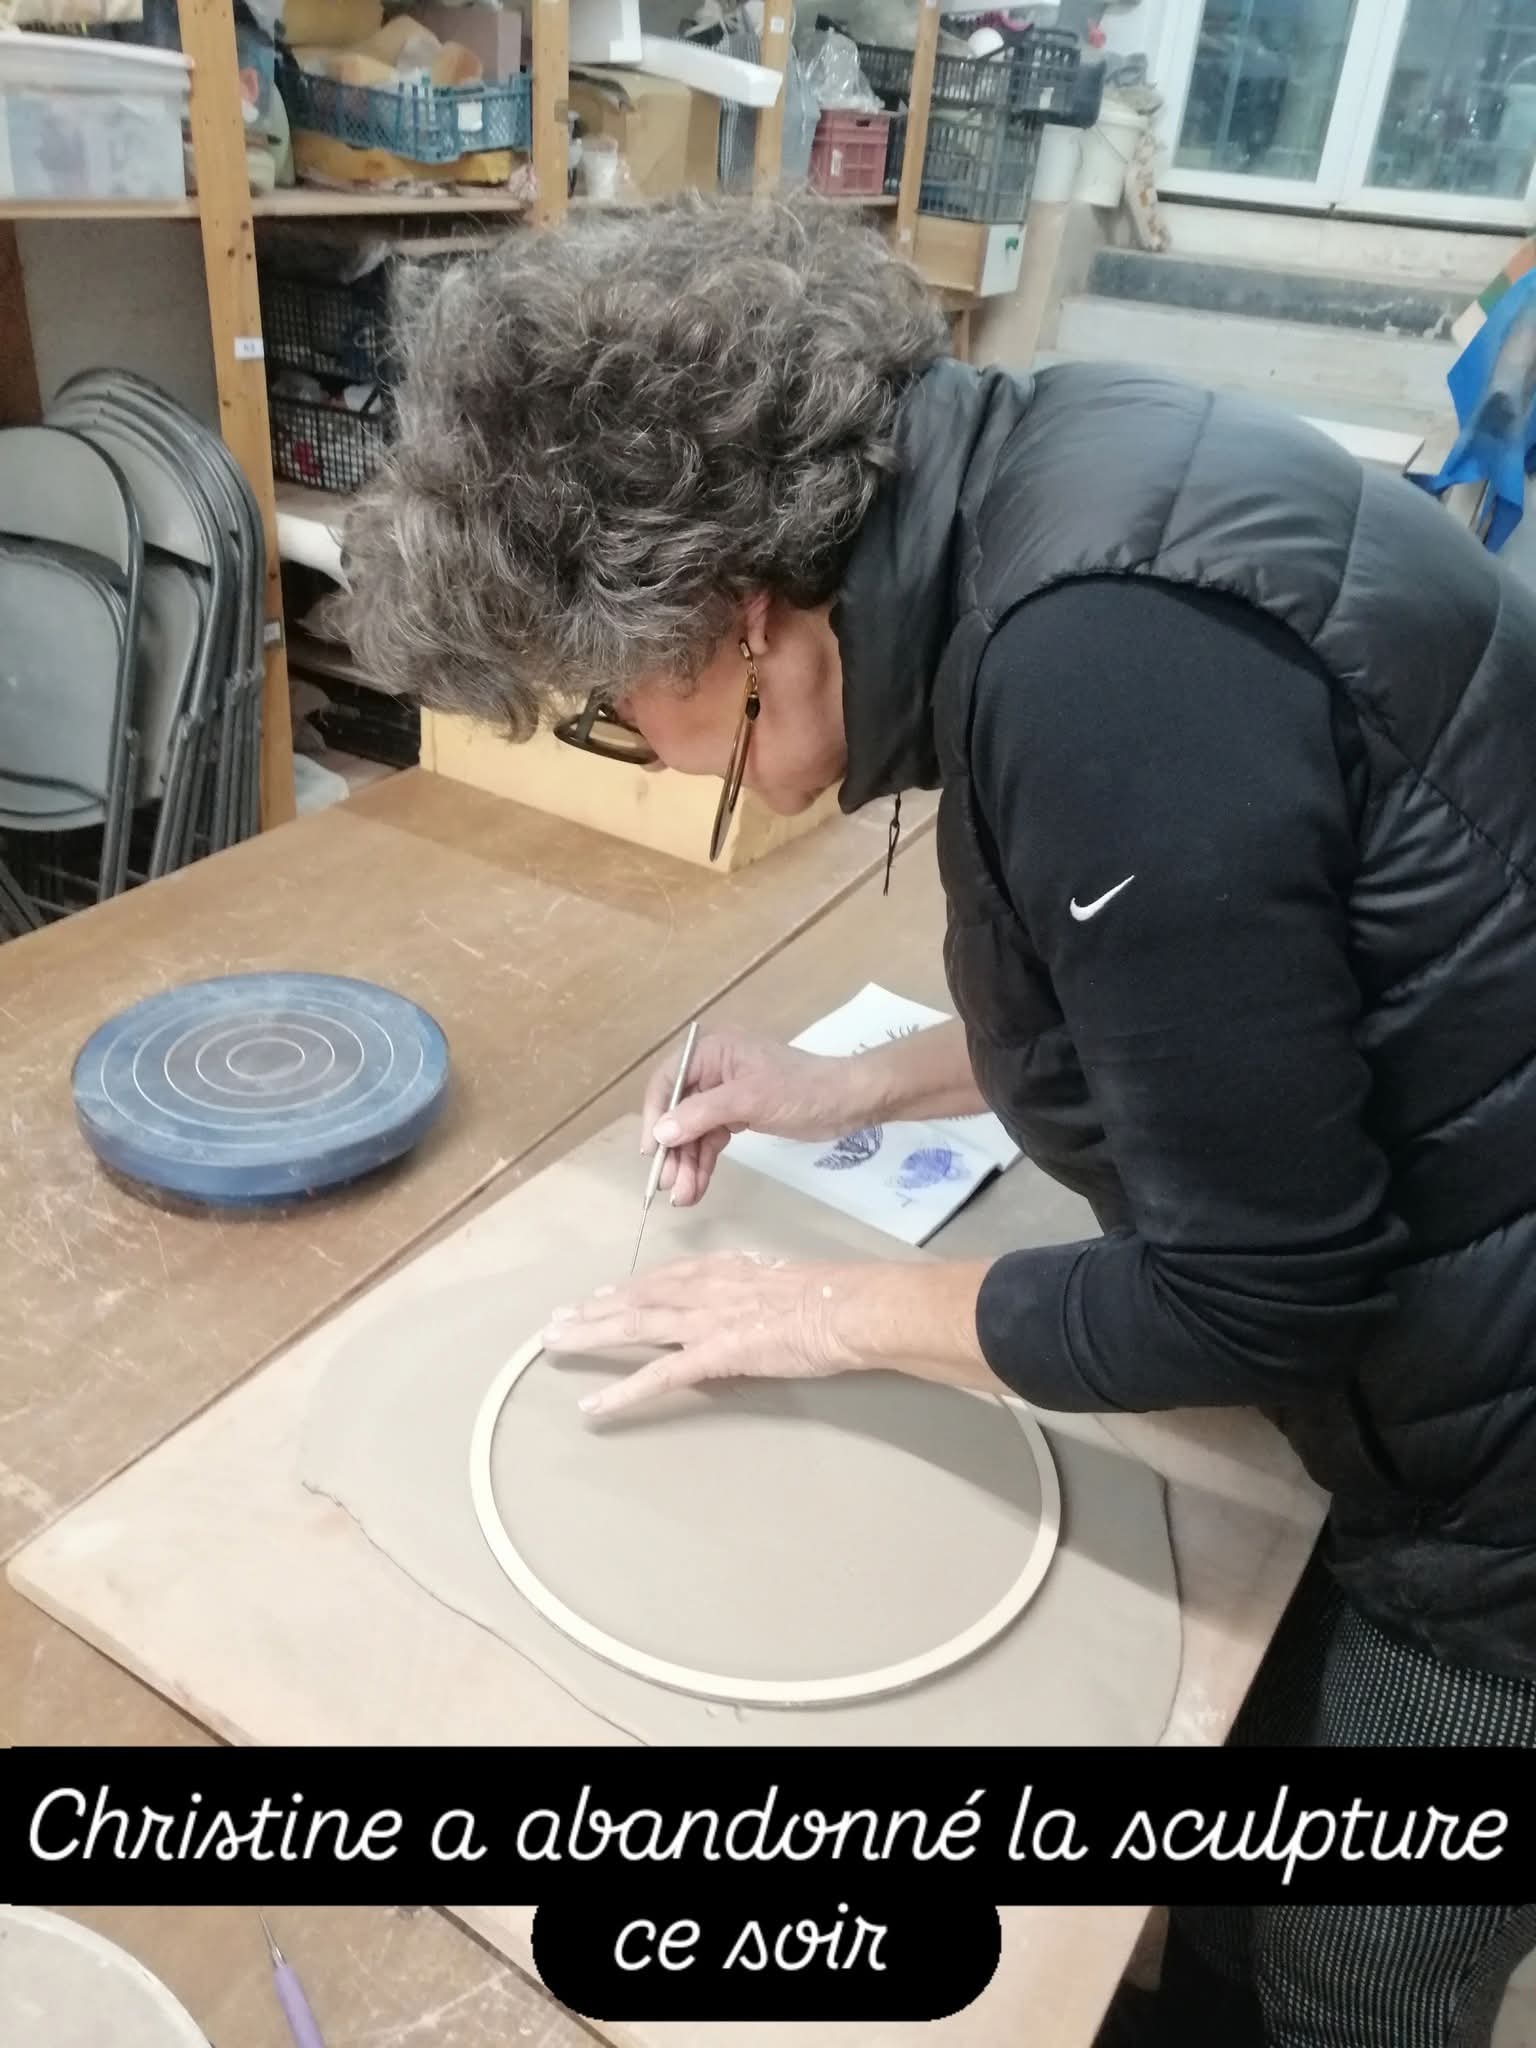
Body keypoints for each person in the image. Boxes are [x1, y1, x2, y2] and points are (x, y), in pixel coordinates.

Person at [344, 193, 1536, 2045]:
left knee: (1349, 1965)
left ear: (729, 617)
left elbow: (1258, 1293)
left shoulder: (1095, 668)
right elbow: (1221, 990)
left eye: (612, 706)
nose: (638, 745)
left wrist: (822, 1311)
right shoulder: (1031, 484)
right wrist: (853, 1084)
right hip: (1459, 1254)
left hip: (1504, 1472)